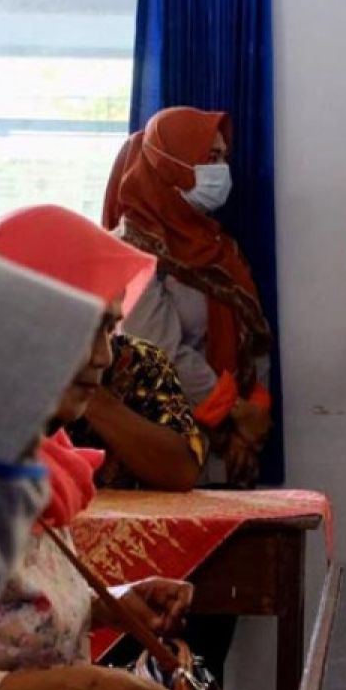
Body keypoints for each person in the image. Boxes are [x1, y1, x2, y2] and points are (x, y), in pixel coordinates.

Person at [0, 234, 216, 690]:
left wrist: (111, 604)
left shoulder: (41, 457)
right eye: (87, 328)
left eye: (111, 327)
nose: (104, 355)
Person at [106, 105, 273, 487]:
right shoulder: (131, 252)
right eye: (209, 158)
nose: (220, 171)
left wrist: (255, 416)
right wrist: (234, 411)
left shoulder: (222, 250)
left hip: (229, 452)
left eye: (223, 158)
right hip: (160, 446)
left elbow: (257, 335)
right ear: (171, 165)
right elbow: (158, 350)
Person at [66, 331, 207, 491]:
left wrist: (90, 396)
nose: (105, 356)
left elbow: (182, 473)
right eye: (91, 328)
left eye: (109, 327)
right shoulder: (32, 367)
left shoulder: (140, 360)